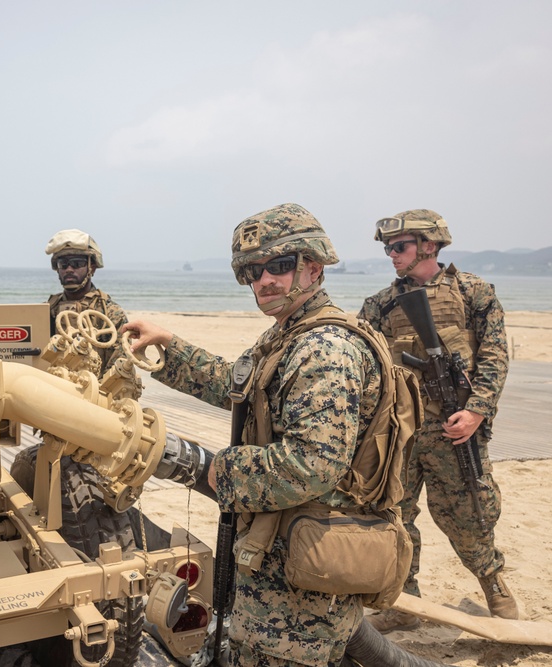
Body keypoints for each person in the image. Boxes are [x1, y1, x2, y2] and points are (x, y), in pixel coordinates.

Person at [122, 203, 408, 666]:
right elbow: (240, 386)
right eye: (253, 272)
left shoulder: (323, 348)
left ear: (313, 267)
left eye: (278, 266)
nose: (264, 281)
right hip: (285, 556)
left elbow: (311, 465)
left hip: (302, 580)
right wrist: (169, 348)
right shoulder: (290, 335)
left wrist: (221, 470)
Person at [358, 209, 517, 632]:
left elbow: (495, 356)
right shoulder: (379, 304)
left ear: (429, 245)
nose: (391, 255)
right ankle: (404, 601)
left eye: (399, 247)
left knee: (468, 513)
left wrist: (476, 410)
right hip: (401, 432)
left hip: (454, 429)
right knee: (395, 516)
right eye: (388, 248)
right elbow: (365, 364)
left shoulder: (473, 292)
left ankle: (492, 582)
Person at [45, 228, 128, 377]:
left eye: (77, 263)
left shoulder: (109, 312)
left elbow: (118, 368)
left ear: (92, 267)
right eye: (63, 264)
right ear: (57, 269)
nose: (69, 269)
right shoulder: (47, 310)